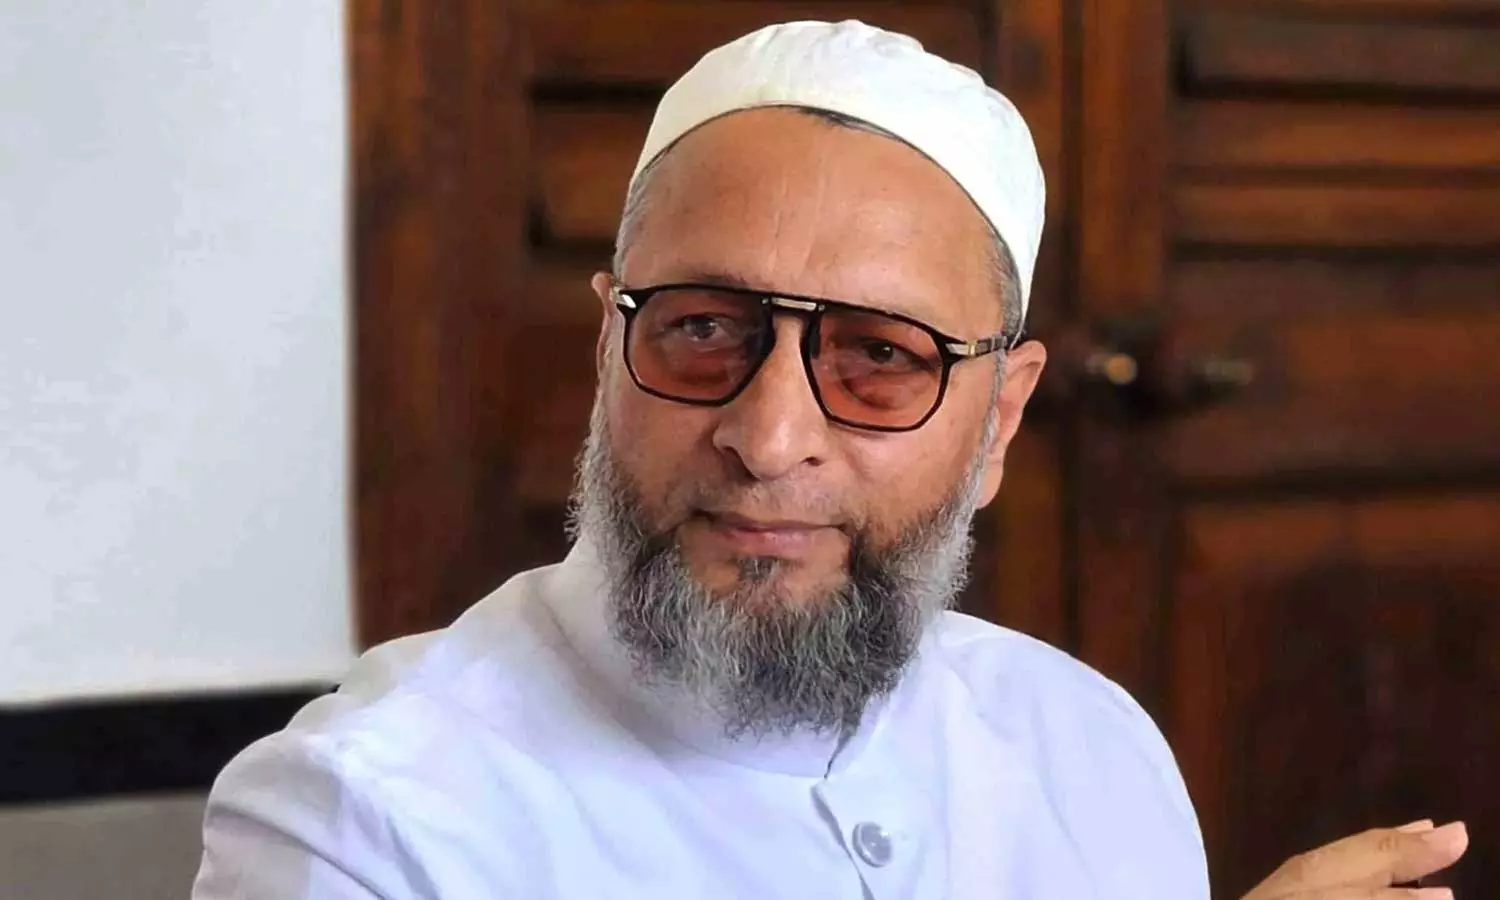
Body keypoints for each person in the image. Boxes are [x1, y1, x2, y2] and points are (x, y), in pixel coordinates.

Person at [191, 19, 1468, 899]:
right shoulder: (365, 824)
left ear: (999, 422)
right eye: (704, 330)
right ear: (608, 351)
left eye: (880, 357)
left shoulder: (1087, 747)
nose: (769, 439)